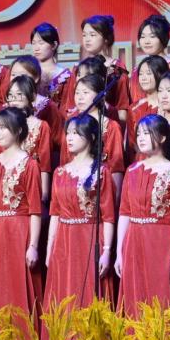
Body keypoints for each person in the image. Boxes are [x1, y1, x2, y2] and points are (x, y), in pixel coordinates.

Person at [116, 114, 170, 316]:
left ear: (162, 137)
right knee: (134, 298)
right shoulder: (132, 170)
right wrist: (119, 253)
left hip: (161, 242)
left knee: (159, 297)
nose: (141, 138)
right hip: (133, 240)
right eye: (138, 134)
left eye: (147, 133)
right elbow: (124, 213)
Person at [45, 114, 116, 309]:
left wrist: (107, 251)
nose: (69, 138)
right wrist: (50, 248)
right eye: (68, 133)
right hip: (64, 240)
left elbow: (108, 216)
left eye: (76, 133)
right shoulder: (60, 172)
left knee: (88, 294)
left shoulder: (101, 171)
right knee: (64, 295)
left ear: (91, 137)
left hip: (89, 238)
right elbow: (55, 213)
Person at [0, 108, 41, 322]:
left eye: (4, 128)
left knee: (16, 284)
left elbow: (35, 210)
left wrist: (33, 245)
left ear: (19, 130)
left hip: (18, 230)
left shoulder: (30, 164)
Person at [60, 73, 124, 200]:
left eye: (85, 92)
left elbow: (116, 166)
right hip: (70, 190)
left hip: (99, 190)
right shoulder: (71, 124)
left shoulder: (111, 126)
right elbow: (64, 160)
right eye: (77, 93)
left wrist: (115, 199)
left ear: (100, 96)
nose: (80, 97)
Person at [60, 15, 131, 122]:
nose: (87, 39)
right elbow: (69, 106)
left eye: (92, 35)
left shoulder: (117, 69)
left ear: (106, 38)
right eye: (84, 35)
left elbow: (122, 111)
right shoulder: (78, 68)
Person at [2, 76, 53, 204]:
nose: (14, 99)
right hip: (8, 185)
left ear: (32, 96)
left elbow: (45, 164)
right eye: (11, 95)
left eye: (19, 94)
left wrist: (44, 193)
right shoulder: (1, 126)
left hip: (33, 183)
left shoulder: (42, 126)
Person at [127, 55, 170, 149]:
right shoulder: (134, 108)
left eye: (148, 73)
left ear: (160, 74)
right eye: (141, 74)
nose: (143, 78)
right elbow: (131, 144)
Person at [29, 22, 72, 109]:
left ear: (54, 45)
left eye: (41, 43)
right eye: (33, 43)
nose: (36, 48)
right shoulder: (29, 72)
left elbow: (67, 107)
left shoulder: (65, 76)